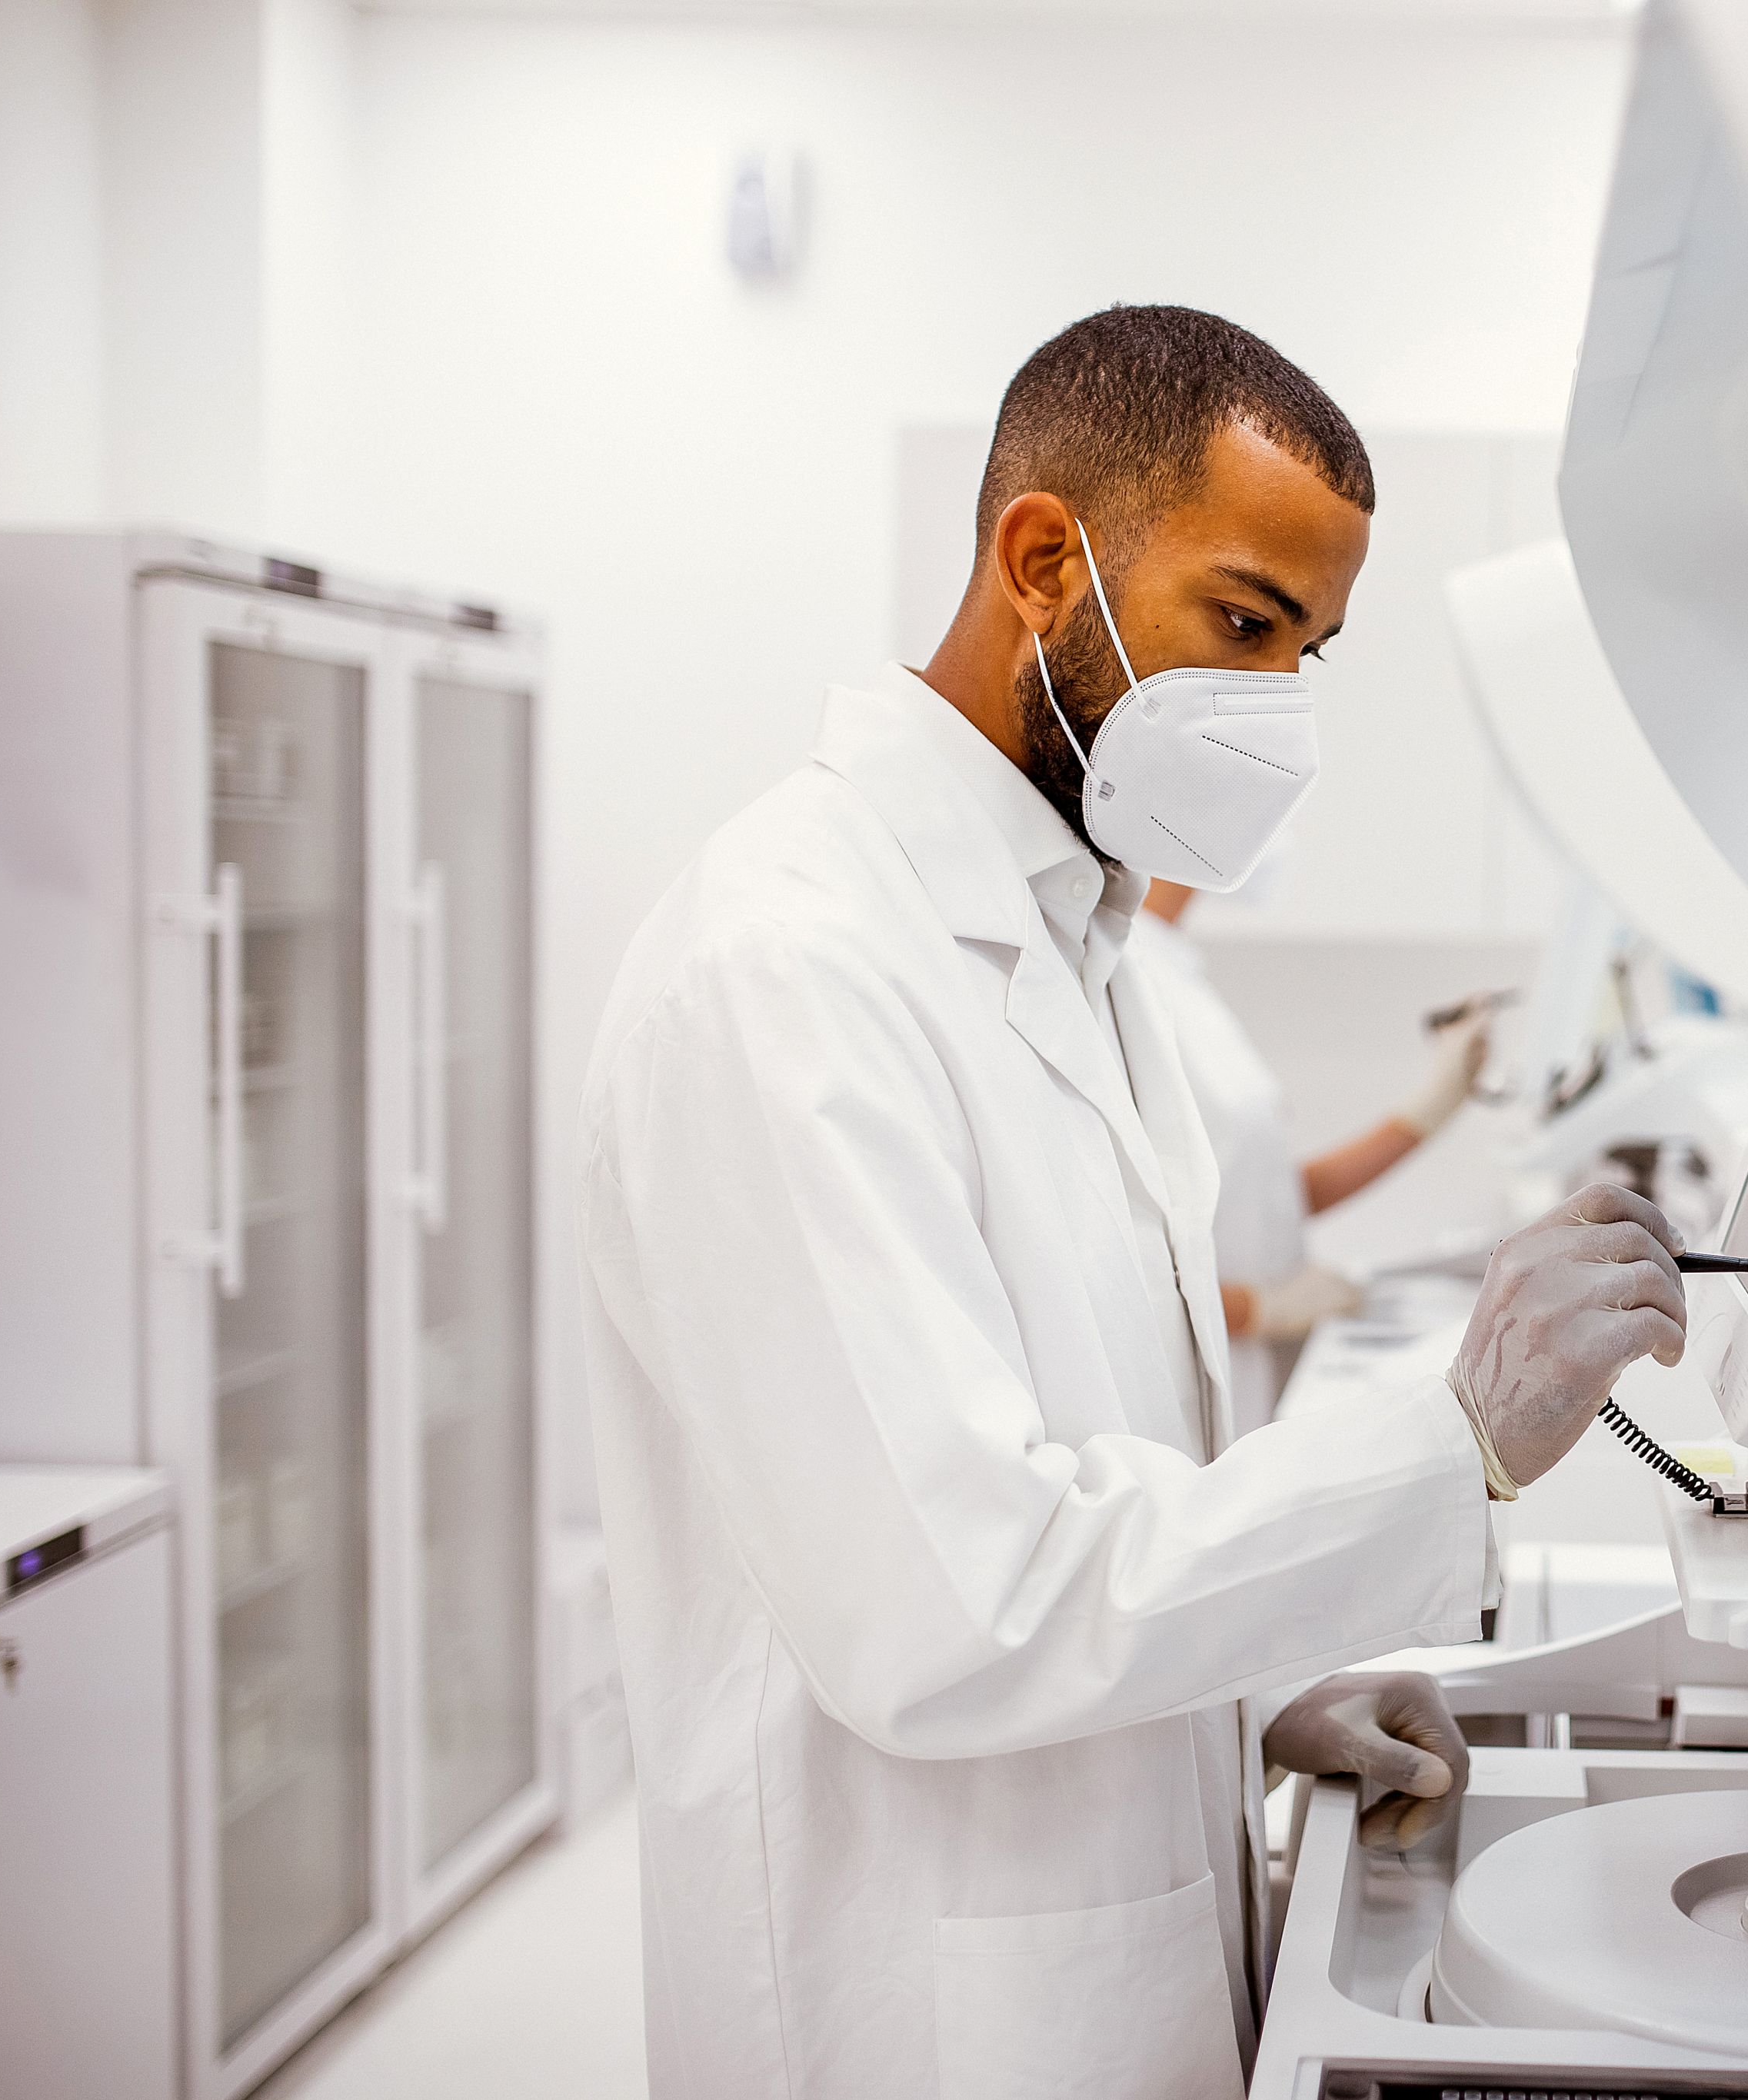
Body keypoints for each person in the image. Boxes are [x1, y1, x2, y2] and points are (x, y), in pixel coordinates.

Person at [579, 305, 1690, 2100]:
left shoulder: (1080, 948)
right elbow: (958, 1607)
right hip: (916, 2015)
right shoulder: (788, 968)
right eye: (1242, 624)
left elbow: (1102, 1476)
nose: (1272, 706)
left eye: (1308, 652)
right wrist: (1452, 1440)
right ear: (1042, 559)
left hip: (1079, 1945)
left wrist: (1259, 1701)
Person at [1134, 874, 1494, 1431]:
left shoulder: (1168, 966)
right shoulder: (1116, 975)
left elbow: (1255, 1194)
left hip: (1242, 1382)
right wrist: (1258, 1309)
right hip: (1178, 1392)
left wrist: (1429, 1110)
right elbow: (1112, 1250)